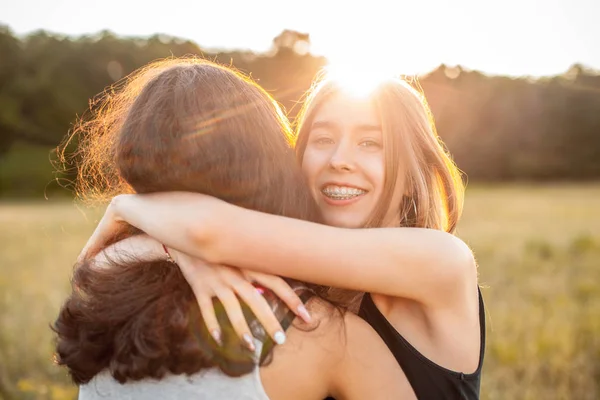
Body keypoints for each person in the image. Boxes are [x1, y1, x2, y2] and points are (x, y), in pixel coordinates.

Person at [83, 68, 486, 399]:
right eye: (323, 139)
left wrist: (128, 207)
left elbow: (211, 232)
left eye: (371, 143)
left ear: (414, 170)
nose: (339, 160)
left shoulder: (442, 260)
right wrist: (180, 251)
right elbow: (104, 268)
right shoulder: (296, 269)